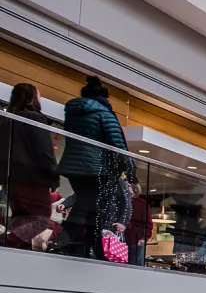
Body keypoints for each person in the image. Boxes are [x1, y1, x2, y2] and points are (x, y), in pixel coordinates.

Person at [56, 76, 135, 260]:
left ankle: (95, 252)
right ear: (105, 98)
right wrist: (131, 175)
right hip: (97, 170)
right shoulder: (105, 114)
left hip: (73, 168)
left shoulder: (72, 114)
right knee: (89, 207)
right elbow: (118, 146)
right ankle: (59, 242)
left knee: (91, 208)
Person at [2, 84, 60, 251]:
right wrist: (53, 176)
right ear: (32, 98)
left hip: (13, 182)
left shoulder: (7, 119)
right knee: (39, 222)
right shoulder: (34, 118)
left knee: (21, 222)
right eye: (38, 96)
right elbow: (44, 151)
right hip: (33, 180)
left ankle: (15, 257)